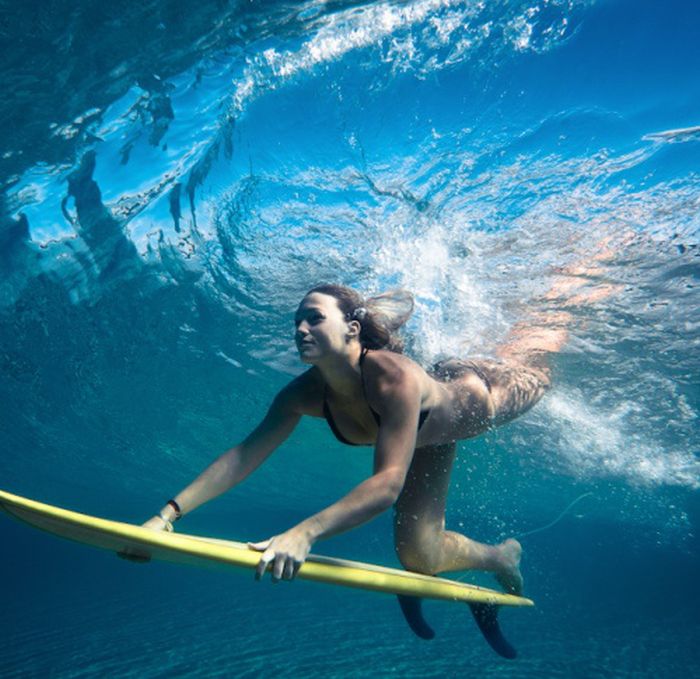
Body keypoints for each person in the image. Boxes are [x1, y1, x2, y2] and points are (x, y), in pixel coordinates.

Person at [145, 284, 568, 598]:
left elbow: (387, 484)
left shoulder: (392, 377)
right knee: (420, 558)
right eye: (297, 322)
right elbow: (243, 456)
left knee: (541, 351)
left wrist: (305, 534)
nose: (301, 329)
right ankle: (502, 557)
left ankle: (575, 284)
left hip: (486, 393)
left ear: (351, 329)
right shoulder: (301, 395)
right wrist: (167, 515)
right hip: (425, 438)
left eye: (314, 318)